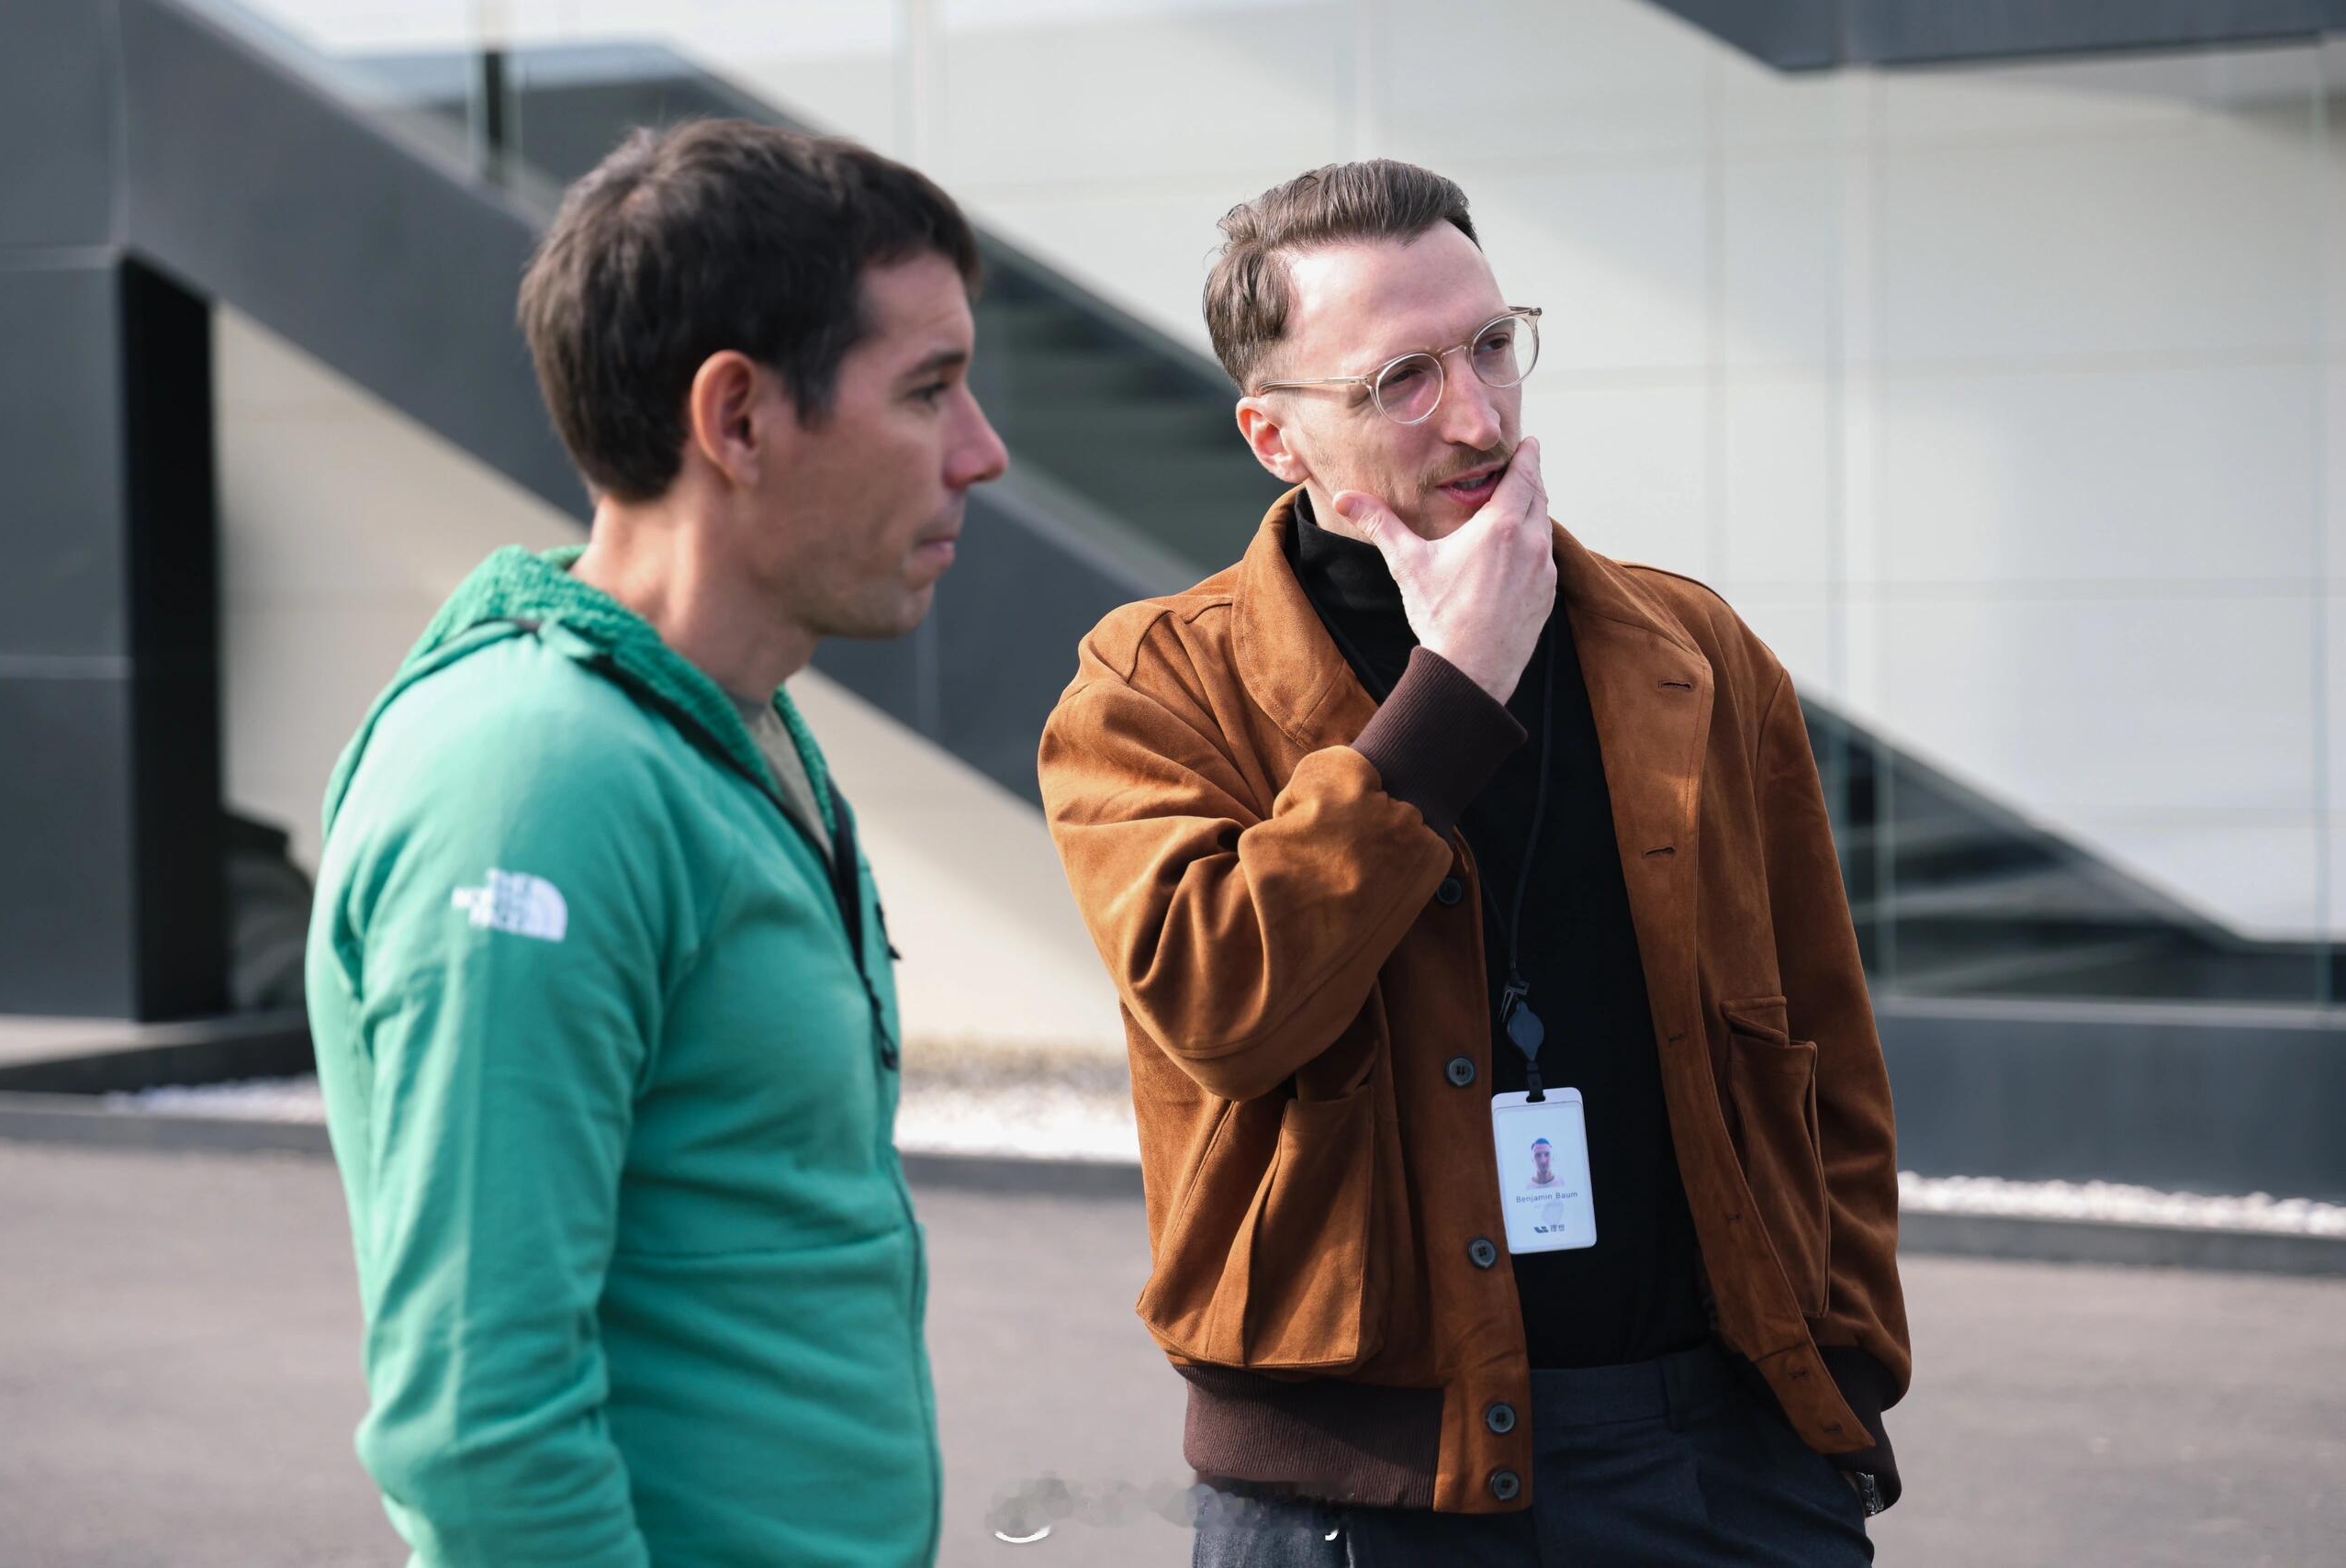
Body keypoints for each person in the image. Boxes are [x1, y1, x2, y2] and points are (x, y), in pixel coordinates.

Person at [1037, 159, 1907, 1565]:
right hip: (1355, 1489)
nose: (1481, 417)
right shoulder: (1157, 685)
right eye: (1403, 380)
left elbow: (1826, 1046)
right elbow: (1221, 1008)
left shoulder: (1691, 653)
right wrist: (1455, 683)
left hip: (1718, 1452)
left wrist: (1842, 1378)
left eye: (1494, 345)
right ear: (1275, 437)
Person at [305, 120, 1006, 1567]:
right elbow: (479, 1434)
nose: (981, 454)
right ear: (737, 419)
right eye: (929, 390)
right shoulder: (534, 784)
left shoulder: (726, 728)